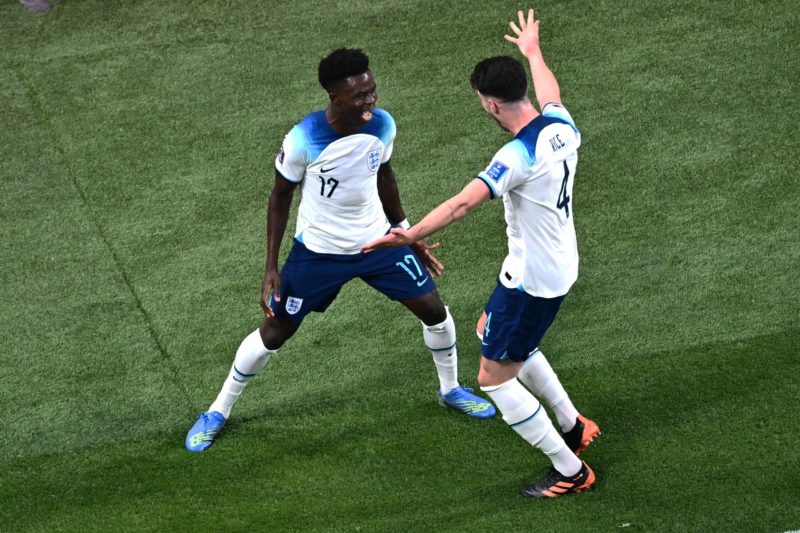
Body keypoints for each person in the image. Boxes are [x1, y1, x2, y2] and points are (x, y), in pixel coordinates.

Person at [185, 48, 495, 452]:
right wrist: (270, 265)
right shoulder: (303, 139)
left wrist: (406, 233)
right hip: (318, 253)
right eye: (360, 96)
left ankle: (451, 389)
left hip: (378, 242)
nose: (370, 101)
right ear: (335, 98)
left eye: (372, 91)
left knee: (435, 310)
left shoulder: (382, 125)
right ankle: (218, 411)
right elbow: (279, 197)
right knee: (276, 330)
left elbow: (385, 175)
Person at [362, 10, 599, 498]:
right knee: (488, 329)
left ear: (492, 105)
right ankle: (572, 422)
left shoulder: (515, 157)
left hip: (533, 278)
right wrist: (533, 51)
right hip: (556, 263)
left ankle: (571, 469)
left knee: (493, 378)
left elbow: (463, 203)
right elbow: (552, 94)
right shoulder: (561, 126)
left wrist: (408, 236)